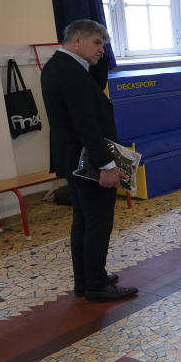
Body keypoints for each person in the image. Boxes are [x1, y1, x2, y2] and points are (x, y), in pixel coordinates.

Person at [40, 20, 138, 303]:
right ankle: (96, 285)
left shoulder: (60, 67)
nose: (102, 50)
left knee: (83, 221)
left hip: (71, 157)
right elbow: (86, 125)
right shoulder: (71, 74)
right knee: (98, 222)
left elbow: (95, 86)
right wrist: (107, 166)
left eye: (104, 45)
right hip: (87, 161)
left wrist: (98, 60)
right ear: (78, 40)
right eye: (97, 43)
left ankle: (85, 279)